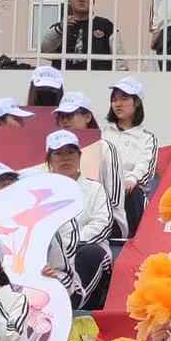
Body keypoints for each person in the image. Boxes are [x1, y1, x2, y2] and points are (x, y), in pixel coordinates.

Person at [42, 130, 112, 307]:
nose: (65, 158)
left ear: (79, 156)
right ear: (49, 159)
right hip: (51, 254)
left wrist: (71, 244)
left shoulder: (95, 189)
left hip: (84, 249)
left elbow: (102, 224)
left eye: (70, 152)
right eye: (58, 153)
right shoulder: (41, 192)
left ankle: (72, 303)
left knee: (91, 254)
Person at [53, 91, 126, 239]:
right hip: (66, 223)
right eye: (61, 117)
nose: (65, 121)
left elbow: (114, 198)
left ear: (87, 117)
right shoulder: (53, 152)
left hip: (106, 220)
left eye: (70, 115)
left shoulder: (105, 147)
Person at [103, 77, 158, 237]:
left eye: (124, 99)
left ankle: (133, 239)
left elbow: (145, 168)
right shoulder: (102, 132)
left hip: (128, 192)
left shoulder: (147, 138)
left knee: (134, 192)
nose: (117, 104)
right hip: (102, 189)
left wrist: (131, 179)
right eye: (114, 99)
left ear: (137, 102)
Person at [40, 0, 125, 70]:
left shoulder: (107, 26)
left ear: (93, 1)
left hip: (98, 78)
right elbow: (45, 53)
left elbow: (120, 61)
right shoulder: (59, 28)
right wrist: (60, 29)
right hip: (64, 77)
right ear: (69, 0)